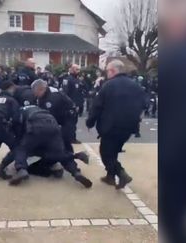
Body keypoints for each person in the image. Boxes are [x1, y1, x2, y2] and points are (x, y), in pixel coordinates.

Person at [86, 60, 146, 189]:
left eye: (107, 71)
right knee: (113, 151)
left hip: (111, 126)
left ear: (112, 71)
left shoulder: (108, 85)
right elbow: (144, 104)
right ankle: (110, 177)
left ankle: (121, 174)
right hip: (129, 126)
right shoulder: (135, 85)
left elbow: (97, 106)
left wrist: (90, 122)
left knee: (106, 153)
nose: (107, 73)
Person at [9, 105, 92, 188]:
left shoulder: (18, 112)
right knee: (60, 154)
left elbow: (18, 140)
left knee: (21, 148)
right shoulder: (40, 109)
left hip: (36, 128)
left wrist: (3, 165)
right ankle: (76, 172)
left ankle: (21, 169)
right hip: (53, 127)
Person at [31, 79, 78, 153]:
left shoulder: (52, 97)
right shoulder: (44, 94)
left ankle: (69, 158)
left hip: (68, 117)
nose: (35, 95)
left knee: (63, 138)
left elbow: (49, 116)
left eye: (36, 93)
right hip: (59, 116)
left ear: (41, 89)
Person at [61, 64, 85, 143]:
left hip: (77, 105)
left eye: (79, 69)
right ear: (71, 69)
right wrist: (71, 105)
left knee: (74, 123)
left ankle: (72, 138)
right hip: (70, 106)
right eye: (77, 69)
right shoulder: (67, 79)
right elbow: (65, 94)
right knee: (69, 123)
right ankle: (68, 139)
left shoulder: (77, 79)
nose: (79, 71)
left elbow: (79, 92)